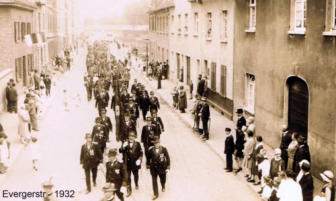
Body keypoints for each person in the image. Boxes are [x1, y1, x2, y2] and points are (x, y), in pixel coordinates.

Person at [119, 131, 143, 196]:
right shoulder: (125, 143)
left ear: (134, 137)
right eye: (130, 136)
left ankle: (136, 184)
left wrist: (139, 160)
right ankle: (129, 191)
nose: (131, 138)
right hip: (127, 164)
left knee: (136, 175)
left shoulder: (137, 144)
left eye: (132, 136)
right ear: (128, 137)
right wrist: (123, 146)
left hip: (135, 164)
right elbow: (120, 151)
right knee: (128, 177)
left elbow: (141, 153)